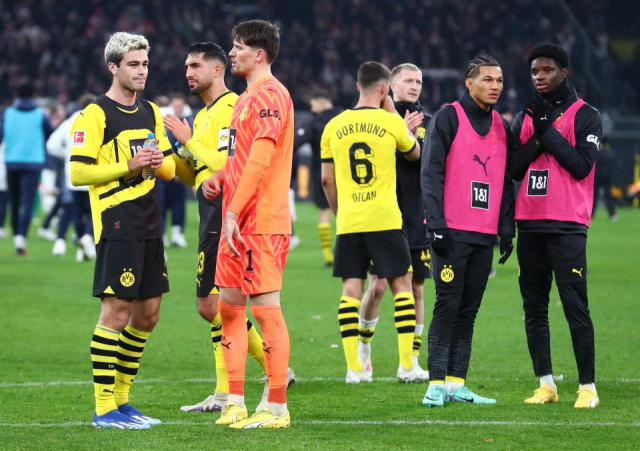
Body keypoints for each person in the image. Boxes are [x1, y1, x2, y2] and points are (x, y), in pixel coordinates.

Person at [163, 42, 293, 414]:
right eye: (186, 66)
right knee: (220, 305)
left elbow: (230, 162)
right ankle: (228, 393)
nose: (188, 73)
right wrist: (167, 157)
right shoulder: (203, 115)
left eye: (195, 66)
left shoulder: (233, 105)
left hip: (237, 210)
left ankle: (267, 378)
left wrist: (189, 142)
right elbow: (196, 174)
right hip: (212, 209)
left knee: (217, 304)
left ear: (217, 69)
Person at [69, 31, 176, 429]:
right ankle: (103, 408)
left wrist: (160, 159)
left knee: (148, 315)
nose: (142, 70)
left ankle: (122, 401)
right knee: (117, 311)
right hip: (117, 221)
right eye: (133, 64)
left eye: (145, 64)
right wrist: (129, 165)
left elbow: (167, 169)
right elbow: (78, 173)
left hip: (149, 221)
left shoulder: (151, 111)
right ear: (113, 67)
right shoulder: (94, 114)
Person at [202, 19, 294, 429]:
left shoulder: (271, 93)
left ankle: (277, 407)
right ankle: (235, 401)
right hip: (237, 221)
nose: (232, 53)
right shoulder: (243, 99)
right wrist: (222, 177)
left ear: (259, 54)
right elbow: (241, 157)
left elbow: (261, 158)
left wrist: (233, 211)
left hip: (259, 221)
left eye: (238, 47)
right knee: (229, 309)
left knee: (267, 312)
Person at [509, 43, 602, 409]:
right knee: (534, 308)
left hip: (567, 225)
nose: (540, 76)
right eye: (534, 71)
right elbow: (515, 167)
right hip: (530, 223)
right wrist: (539, 132)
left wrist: (546, 131)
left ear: (564, 72)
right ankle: (545, 384)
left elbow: (580, 165)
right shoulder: (525, 117)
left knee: (575, 306)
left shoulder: (586, 115)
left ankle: (588, 387)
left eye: (547, 70)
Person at [420, 55, 515, 407]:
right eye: (487, 79)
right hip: (451, 231)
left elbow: (507, 180)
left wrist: (506, 229)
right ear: (469, 82)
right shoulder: (448, 117)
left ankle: (456, 384)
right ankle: (434, 384)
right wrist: (436, 225)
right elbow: (430, 173)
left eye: (499, 80)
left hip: (484, 234)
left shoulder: (501, 126)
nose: (495, 86)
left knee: (468, 311)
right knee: (447, 305)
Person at [321, 61, 421, 384]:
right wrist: (393, 114)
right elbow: (415, 153)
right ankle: (407, 365)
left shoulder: (333, 126)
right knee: (402, 286)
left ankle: (354, 368)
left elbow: (326, 181)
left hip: (350, 220)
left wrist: (341, 213)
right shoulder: (390, 122)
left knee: (351, 290)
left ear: (356, 86)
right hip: (386, 218)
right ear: (384, 89)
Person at [358, 63, 431, 382]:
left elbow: (426, 162)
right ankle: (363, 348)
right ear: (391, 86)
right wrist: (403, 132)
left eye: (419, 81)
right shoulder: (377, 120)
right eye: (408, 81)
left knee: (417, 289)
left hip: (416, 216)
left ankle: (410, 361)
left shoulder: (428, 122)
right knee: (377, 286)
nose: (415, 86)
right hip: (384, 215)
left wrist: (412, 136)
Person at [0, 81, 54, 255]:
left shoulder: (8, 113)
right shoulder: (40, 115)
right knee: (28, 202)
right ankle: (21, 240)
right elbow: (51, 134)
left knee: (14, 201)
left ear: (16, 95)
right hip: (33, 162)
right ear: (33, 95)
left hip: (11, 161)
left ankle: (16, 236)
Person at [46, 93, 98, 260]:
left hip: (74, 175)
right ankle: (87, 238)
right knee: (95, 211)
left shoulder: (70, 122)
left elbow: (51, 145)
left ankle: (80, 246)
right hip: (94, 174)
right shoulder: (99, 121)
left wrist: (67, 156)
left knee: (76, 211)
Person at [294, 89, 342, 266]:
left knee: (324, 212)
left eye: (313, 104)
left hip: (321, 173)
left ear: (321, 102)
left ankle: (328, 255)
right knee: (345, 215)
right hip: (345, 173)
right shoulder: (343, 117)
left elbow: (295, 143)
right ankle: (344, 251)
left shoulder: (313, 122)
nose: (312, 108)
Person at [159, 93, 192, 248]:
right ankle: (163, 234)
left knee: (178, 203)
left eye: (180, 106)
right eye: (176, 105)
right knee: (161, 203)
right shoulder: (164, 120)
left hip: (177, 170)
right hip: (162, 169)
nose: (178, 108)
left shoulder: (187, 121)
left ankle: (177, 234)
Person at [592, 137, 617, 222]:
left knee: (594, 196)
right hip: (608, 178)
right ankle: (612, 215)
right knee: (609, 196)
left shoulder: (598, 153)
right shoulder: (612, 153)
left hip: (597, 177)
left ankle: (591, 215)